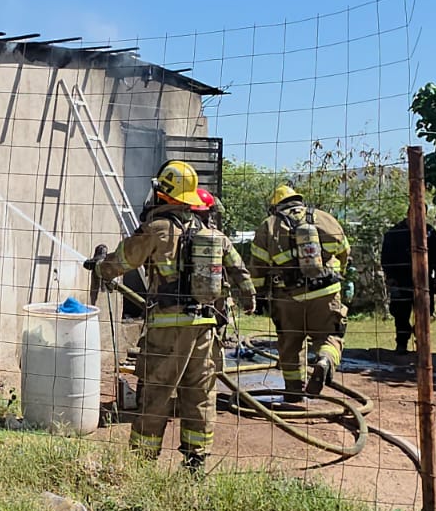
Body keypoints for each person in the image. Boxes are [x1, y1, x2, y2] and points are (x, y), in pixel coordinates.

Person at [86, 163, 255, 470]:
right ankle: (195, 463)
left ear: (164, 193)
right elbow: (239, 269)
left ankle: (142, 463)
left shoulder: (157, 229)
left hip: (167, 329)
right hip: (205, 329)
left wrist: (99, 267)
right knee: (199, 395)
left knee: (156, 394)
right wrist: (250, 300)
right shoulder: (210, 233)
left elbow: (122, 260)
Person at [247, 184, 349, 401]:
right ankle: (325, 361)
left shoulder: (269, 225)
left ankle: (293, 392)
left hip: (287, 296)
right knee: (329, 336)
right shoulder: (323, 217)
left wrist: (260, 294)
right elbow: (343, 249)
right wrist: (340, 275)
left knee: (290, 344)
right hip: (325, 291)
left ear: (275, 206)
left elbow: (258, 265)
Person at [379, 218, 436, 355]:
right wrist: (390, 276)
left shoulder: (430, 232)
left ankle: (421, 341)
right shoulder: (396, 232)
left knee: (426, 313)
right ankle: (402, 343)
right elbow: (386, 257)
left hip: (424, 279)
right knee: (400, 314)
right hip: (400, 279)